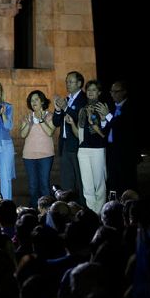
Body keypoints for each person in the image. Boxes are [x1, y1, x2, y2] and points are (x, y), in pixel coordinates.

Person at [70, 80, 107, 213]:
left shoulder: (102, 108)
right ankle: (92, 214)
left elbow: (103, 133)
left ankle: (100, 214)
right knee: (87, 186)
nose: (91, 92)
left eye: (94, 90)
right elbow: (79, 134)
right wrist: (72, 124)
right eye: (89, 90)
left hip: (97, 149)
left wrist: (92, 122)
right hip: (83, 150)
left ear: (99, 92)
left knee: (99, 185)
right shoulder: (83, 109)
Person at [51, 71, 87, 205]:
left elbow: (79, 118)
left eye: (70, 82)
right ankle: (67, 208)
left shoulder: (83, 99)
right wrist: (58, 109)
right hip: (65, 144)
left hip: (78, 145)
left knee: (80, 180)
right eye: (66, 81)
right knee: (67, 180)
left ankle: (83, 208)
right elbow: (55, 122)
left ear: (79, 83)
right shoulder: (66, 99)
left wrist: (65, 107)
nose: (67, 84)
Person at [19, 90, 56, 208]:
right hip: (29, 156)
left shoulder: (50, 116)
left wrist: (41, 119)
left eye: (36, 99)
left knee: (44, 185)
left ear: (42, 101)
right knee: (33, 186)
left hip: (45, 155)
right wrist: (29, 123)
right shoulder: (27, 117)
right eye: (31, 100)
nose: (33, 102)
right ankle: (34, 212)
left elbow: (50, 132)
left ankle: (47, 212)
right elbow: (23, 135)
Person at [100, 80, 137, 196]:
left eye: (116, 91)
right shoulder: (110, 107)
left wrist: (107, 116)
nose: (113, 94)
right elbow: (106, 129)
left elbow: (121, 126)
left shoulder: (130, 107)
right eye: (111, 91)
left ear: (124, 92)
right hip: (111, 150)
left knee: (127, 182)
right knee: (113, 182)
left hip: (125, 153)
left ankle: (129, 206)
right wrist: (102, 120)